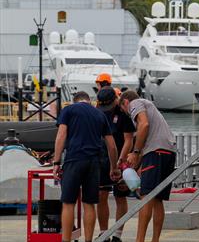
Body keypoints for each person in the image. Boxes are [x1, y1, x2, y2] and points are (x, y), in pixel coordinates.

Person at [53, 91, 120, 242]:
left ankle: (66, 240)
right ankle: (88, 240)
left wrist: (56, 162)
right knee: (89, 203)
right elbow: (112, 146)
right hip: (94, 163)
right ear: (89, 101)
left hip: (74, 160)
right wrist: (113, 167)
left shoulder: (68, 110)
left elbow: (61, 135)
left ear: (75, 101)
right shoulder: (99, 115)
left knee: (68, 202)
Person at [119, 90, 177, 242]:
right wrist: (135, 166)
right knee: (157, 198)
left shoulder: (135, 103)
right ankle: (155, 240)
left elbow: (144, 124)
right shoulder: (150, 107)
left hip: (156, 152)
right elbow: (145, 140)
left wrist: (135, 151)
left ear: (125, 102)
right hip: (168, 151)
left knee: (146, 197)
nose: (126, 113)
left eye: (123, 110)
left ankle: (139, 240)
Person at [96, 86, 136, 242]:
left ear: (116, 99)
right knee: (101, 195)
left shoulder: (123, 113)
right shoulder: (97, 111)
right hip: (101, 157)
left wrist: (121, 158)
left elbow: (129, 139)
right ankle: (103, 232)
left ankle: (117, 234)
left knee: (120, 196)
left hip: (122, 156)